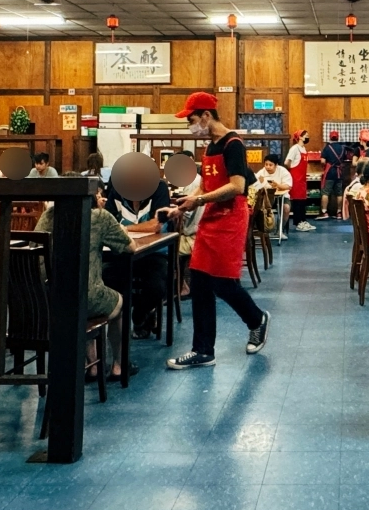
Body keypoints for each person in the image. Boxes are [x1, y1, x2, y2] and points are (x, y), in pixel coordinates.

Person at [166, 92, 269, 369]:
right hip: (211, 217)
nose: (190, 125)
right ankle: (203, 350)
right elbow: (206, 185)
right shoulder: (210, 146)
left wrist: (197, 201)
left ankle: (257, 319)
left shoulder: (233, 144)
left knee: (223, 282)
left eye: (191, 119)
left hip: (230, 218)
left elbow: (237, 186)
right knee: (199, 281)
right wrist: (183, 208)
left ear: (206, 116)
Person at [36, 195, 137, 381]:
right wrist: (121, 230)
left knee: (84, 298)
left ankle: (92, 365)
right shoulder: (99, 217)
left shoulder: (48, 216)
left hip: (48, 301)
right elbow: (130, 247)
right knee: (118, 304)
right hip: (85, 299)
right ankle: (119, 365)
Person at [103, 176, 172, 340]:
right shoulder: (116, 193)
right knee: (105, 279)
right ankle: (120, 326)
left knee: (157, 286)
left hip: (154, 253)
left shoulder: (159, 189)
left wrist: (122, 228)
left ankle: (141, 312)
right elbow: (106, 224)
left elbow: (156, 225)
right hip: (121, 254)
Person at [256, 153, 292, 239]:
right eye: (266, 164)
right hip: (267, 197)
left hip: (282, 196)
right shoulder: (261, 172)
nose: (268, 167)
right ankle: (261, 230)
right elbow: (255, 184)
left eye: (270, 165)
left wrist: (278, 185)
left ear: (276, 165)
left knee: (286, 208)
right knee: (257, 206)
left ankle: (280, 230)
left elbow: (288, 186)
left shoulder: (283, 171)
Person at [285, 129, 314, 232]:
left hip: (302, 179)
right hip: (295, 179)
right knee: (297, 201)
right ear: (300, 137)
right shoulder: (294, 149)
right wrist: (291, 172)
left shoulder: (304, 149)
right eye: (305, 135)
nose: (307, 136)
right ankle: (298, 223)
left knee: (302, 200)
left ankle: (303, 220)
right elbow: (287, 162)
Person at [318, 131, 344, 220]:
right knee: (339, 193)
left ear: (330, 138)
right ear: (338, 137)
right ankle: (339, 212)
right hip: (339, 173)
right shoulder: (342, 148)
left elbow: (322, 161)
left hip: (329, 172)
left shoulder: (327, 148)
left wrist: (324, 166)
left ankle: (324, 212)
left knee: (325, 193)